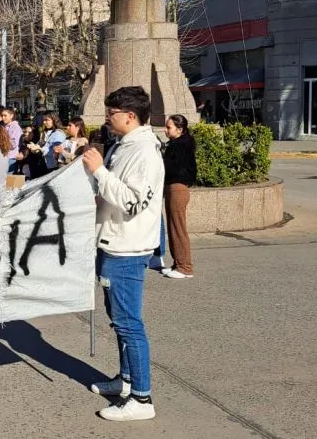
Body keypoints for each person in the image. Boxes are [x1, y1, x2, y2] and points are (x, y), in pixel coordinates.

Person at [82, 85, 164, 421]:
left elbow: (132, 200)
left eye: (111, 113)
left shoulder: (143, 151)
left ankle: (142, 400)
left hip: (126, 247)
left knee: (129, 323)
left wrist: (100, 171)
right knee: (119, 321)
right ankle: (127, 380)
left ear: (130, 116)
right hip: (113, 241)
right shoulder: (125, 145)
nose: (107, 119)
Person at [162, 114, 197, 279]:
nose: (166, 130)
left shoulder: (181, 146)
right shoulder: (176, 144)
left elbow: (172, 167)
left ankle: (185, 267)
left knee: (178, 228)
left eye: (169, 127)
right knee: (173, 227)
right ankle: (178, 263)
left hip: (178, 188)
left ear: (180, 129)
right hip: (173, 187)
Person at [1, 107, 22, 173]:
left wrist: (4, 137)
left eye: (5, 115)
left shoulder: (15, 127)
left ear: (11, 116)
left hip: (12, 157)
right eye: (2, 115)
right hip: (4, 156)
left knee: (10, 181)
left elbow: (13, 144)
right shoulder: (4, 126)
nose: (3, 118)